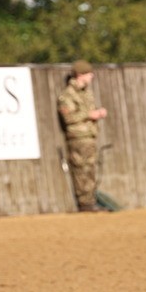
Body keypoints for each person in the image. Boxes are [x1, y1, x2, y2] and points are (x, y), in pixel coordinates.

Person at [57, 60, 108, 212]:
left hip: (89, 136)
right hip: (78, 138)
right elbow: (68, 117)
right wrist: (90, 114)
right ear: (80, 75)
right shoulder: (68, 95)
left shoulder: (86, 93)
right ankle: (84, 202)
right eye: (88, 74)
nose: (91, 76)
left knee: (90, 169)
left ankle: (90, 200)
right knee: (81, 169)